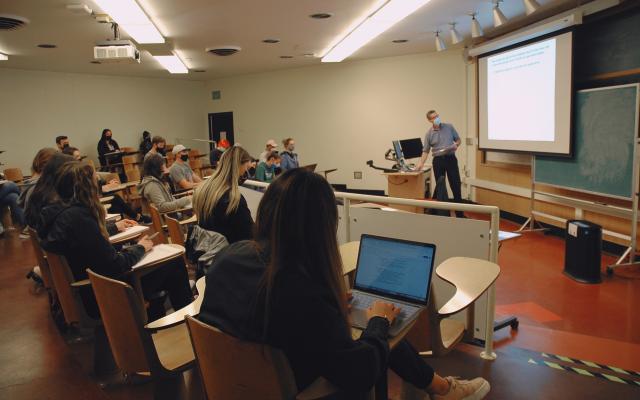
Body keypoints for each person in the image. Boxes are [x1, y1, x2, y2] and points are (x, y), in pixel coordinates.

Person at [198, 169, 490, 400]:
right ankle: (441, 389)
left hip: (234, 383)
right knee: (378, 330)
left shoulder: (227, 258)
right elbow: (359, 373)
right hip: (296, 388)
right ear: (322, 226)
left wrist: (332, 310)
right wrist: (376, 322)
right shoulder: (299, 290)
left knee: (374, 326)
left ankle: (437, 387)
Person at [37, 161, 193, 319]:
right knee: (174, 263)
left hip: (91, 287)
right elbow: (115, 265)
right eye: (96, 180)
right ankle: (188, 320)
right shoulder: (79, 218)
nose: (99, 184)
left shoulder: (58, 214)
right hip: (106, 293)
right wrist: (140, 248)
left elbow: (90, 242)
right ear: (86, 187)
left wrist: (115, 231)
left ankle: (156, 308)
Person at [192, 146, 254, 244]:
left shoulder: (203, 189)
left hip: (207, 250)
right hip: (230, 253)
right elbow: (249, 236)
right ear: (238, 166)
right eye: (246, 168)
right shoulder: (234, 199)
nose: (245, 173)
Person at [416, 110, 464, 218]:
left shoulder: (449, 127)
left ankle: (460, 214)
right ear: (429, 120)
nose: (437, 118)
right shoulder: (429, 134)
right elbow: (426, 151)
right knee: (440, 186)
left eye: (437, 116)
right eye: (434, 117)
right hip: (438, 161)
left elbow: (459, 140)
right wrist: (420, 163)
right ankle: (441, 214)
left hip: (451, 159)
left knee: (456, 185)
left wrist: (456, 144)